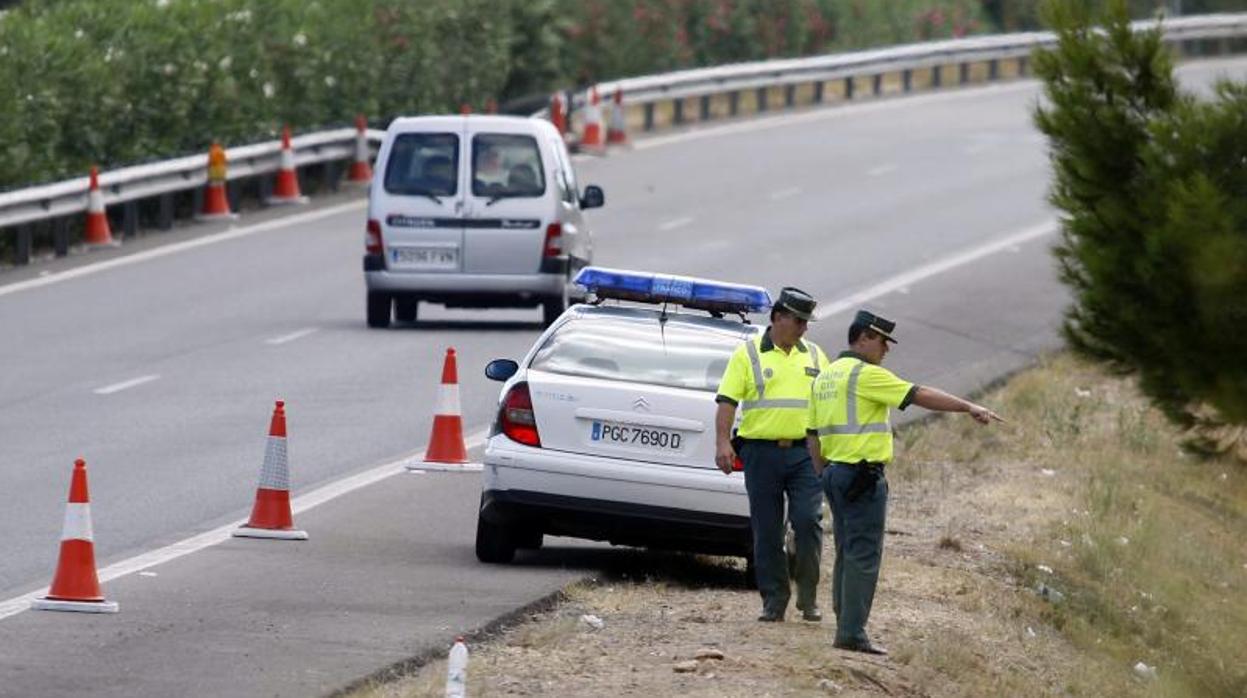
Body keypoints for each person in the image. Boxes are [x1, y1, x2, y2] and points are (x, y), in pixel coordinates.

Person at [807, 309, 1003, 655]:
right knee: (863, 554)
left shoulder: (826, 376)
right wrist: (968, 406)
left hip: (835, 473)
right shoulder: (864, 375)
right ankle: (851, 632)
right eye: (883, 341)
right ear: (864, 337)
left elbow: (811, 434)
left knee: (845, 552)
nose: (886, 350)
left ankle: (844, 621)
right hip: (861, 476)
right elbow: (919, 394)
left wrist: (823, 471)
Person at [716, 287, 827, 623]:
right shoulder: (747, 354)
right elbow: (727, 402)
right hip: (761, 454)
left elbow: (830, 401)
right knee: (767, 530)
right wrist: (723, 442)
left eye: (807, 323)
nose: (803, 328)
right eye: (798, 321)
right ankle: (774, 600)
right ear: (777, 317)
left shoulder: (815, 355)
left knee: (808, 523)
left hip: (805, 454)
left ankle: (808, 596)